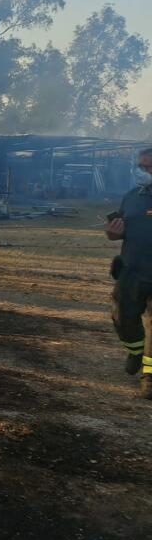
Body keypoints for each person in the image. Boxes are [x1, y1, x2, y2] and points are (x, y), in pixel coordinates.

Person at [106, 147, 152, 398]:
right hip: (132, 271)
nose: (143, 172)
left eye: (149, 167)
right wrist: (113, 233)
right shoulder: (132, 196)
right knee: (121, 317)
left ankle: (149, 377)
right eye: (141, 167)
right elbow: (120, 231)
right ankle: (136, 351)